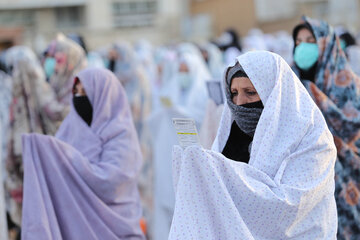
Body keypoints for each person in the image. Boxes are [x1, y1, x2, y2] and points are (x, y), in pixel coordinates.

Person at [169, 51, 337, 239]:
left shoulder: (313, 140)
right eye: (234, 93)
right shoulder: (231, 135)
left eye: (250, 93)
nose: (240, 102)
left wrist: (219, 171)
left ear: (274, 93)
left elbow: (287, 208)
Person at [21, 68, 145, 239]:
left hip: (117, 230)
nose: (79, 98)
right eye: (76, 92)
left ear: (104, 95)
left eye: (85, 92)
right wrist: (48, 152)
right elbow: (57, 175)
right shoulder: (69, 128)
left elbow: (112, 181)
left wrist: (65, 156)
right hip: (73, 229)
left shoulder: (121, 135)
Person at [292, 16, 360, 239]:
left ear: (325, 42)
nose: (303, 47)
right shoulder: (291, 84)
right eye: (298, 42)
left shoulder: (348, 82)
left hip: (349, 176)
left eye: (310, 40)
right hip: (310, 179)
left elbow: (353, 129)